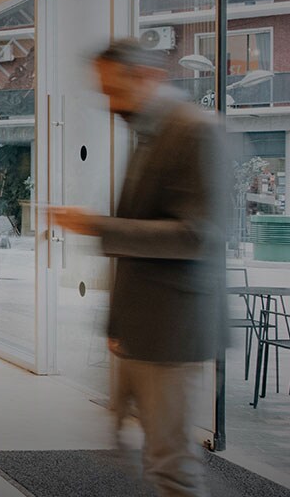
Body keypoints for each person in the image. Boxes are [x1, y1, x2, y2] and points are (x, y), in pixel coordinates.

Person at [50, 39, 227, 497]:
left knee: (172, 466)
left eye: (114, 91)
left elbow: (196, 235)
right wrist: (118, 324)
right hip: (143, 329)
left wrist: (97, 226)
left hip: (173, 331)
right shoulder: (150, 133)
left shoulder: (194, 131)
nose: (111, 104)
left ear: (147, 78)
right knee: (152, 459)